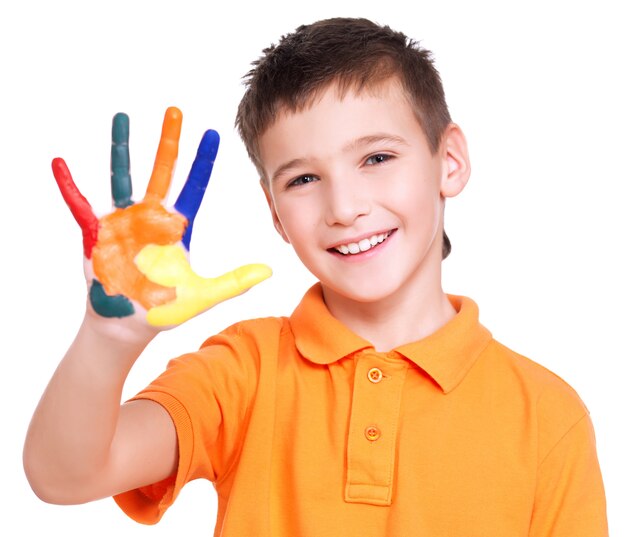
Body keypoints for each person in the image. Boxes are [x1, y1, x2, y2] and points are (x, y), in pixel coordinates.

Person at [23, 17, 608, 536]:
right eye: (303, 179)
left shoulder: (546, 414)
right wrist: (111, 339)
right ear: (275, 212)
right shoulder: (244, 370)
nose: (345, 206)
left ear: (448, 162)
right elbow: (64, 475)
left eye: (377, 158)